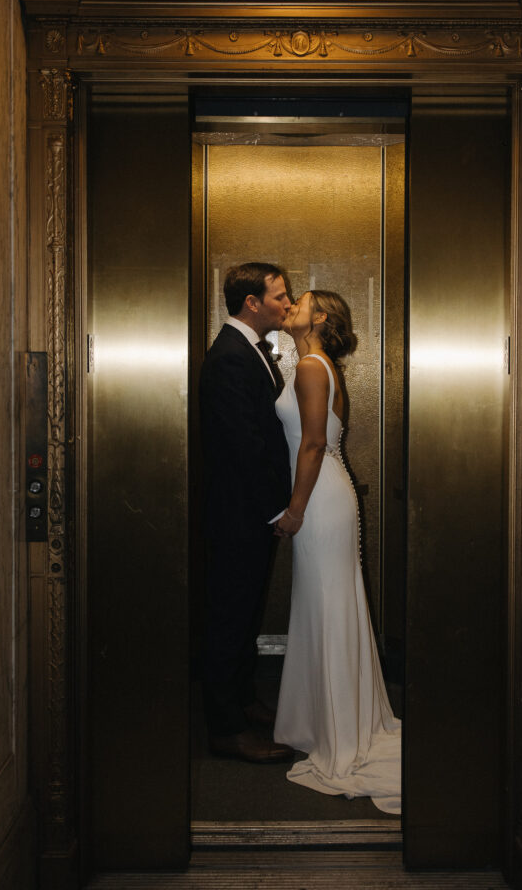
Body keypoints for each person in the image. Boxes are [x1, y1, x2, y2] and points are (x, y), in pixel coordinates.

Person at [273, 289, 402, 814]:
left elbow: (311, 444)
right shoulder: (318, 363)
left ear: (319, 318)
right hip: (329, 492)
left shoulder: (310, 364)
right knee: (327, 608)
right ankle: (329, 722)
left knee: (327, 609)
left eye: (299, 301)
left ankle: (338, 733)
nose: (290, 306)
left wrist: (295, 510)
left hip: (320, 498)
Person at [199, 262, 295, 763]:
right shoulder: (230, 357)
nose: (287, 302)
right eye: (279, 295)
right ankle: (225, 727)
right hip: (237, 513)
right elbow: (244, 446)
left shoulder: (250, 351)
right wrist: (275, 508)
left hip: (248, 512)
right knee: (229, 616)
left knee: (247, 611)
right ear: (252, 303)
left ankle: (241, 698)